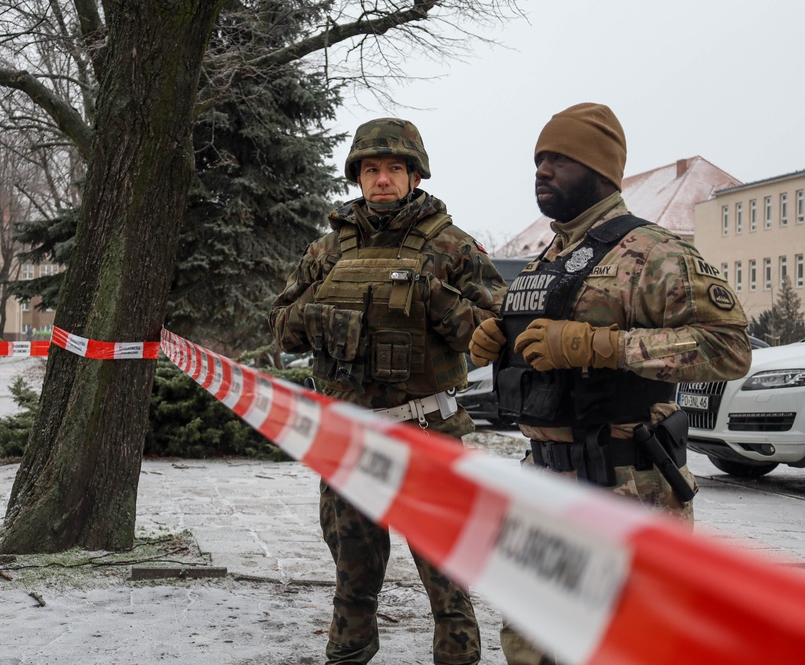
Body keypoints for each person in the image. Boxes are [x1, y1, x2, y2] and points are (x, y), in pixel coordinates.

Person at [469, 103, 752, 665]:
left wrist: (602, 346)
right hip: (543, 484)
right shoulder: (542, 263)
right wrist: (497, 341)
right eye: (538, 160)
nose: (541, 171)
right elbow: (538, 357)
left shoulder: (655, 252)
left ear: (600, 170)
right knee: (529, 645)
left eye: (558, 159)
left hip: (626, 487)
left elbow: (730, 348)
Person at [269, 117, 507, 665]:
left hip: (428, 429)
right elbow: (279, 322)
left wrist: (436, 301)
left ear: (415, 176)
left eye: (394, 169)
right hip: (350, 432)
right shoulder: (327, 251)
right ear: (357, 176)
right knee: (352, 565)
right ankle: (349, 653)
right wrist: (313, 315)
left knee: (446, 569)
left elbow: (499, 330)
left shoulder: (451, 246)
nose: (382, 179)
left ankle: (458, 657)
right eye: (372, 169)